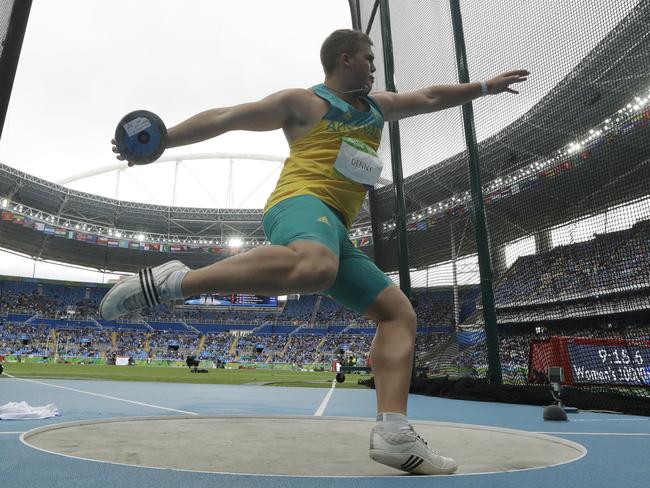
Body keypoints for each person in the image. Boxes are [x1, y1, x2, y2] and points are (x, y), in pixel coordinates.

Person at [101, 29, 528, 475]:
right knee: (317, 267)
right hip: (299, 203)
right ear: (345, 59)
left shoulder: (378, 107)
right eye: (368, 58)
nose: (374, 67)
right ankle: (177, 281)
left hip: (335, 229)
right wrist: (165, 139)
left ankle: (395, 432)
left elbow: (428, 96)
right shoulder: (305, 103)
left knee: (398, 313)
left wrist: (482, 87)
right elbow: (228, 116)